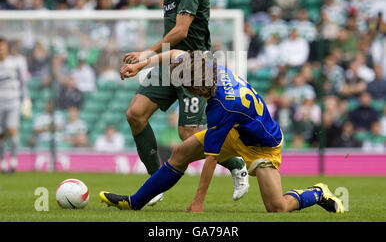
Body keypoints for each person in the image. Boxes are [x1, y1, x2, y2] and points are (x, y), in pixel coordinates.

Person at [100, 49, 344, 213]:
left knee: (277, 207)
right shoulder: (208, 68)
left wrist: (198, 201)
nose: (185, 89)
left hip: (261, 146)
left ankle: (318, 192)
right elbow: (176, 53)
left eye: (187, 86)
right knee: (180, 153)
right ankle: (135, 202)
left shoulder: (222, 106)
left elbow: (211, 159)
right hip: (236, 130)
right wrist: (143, 63)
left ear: (198, 86)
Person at [121, 0, 249, 205]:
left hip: (194, 67)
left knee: (189, 135)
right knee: (135, 114)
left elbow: (180, 31)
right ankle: (155, 184)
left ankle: (237, 163)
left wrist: (145, 54)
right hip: (170, 61)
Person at [0, 38, 31, 173]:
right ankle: (2, 161)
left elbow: (23, 82)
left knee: (12, 131)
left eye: (2, 46)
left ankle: (13, 160)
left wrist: (26, 99)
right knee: (1, 134)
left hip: (13, 101)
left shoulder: (16, 63)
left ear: (7, 47)